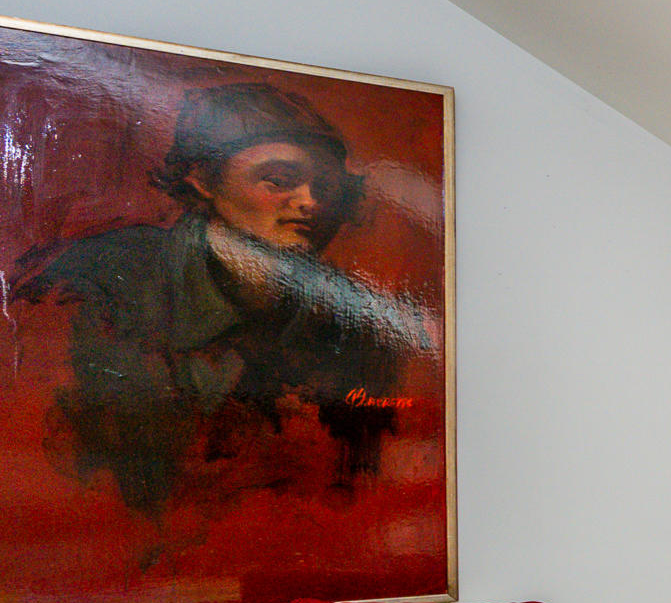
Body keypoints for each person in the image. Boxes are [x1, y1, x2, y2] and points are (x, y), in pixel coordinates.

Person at [29, 80, 425, 517]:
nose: (310, 202)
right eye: (278, 180)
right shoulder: (95, 280)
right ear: (202, 181)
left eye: (326, 188)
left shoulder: (360, 325)